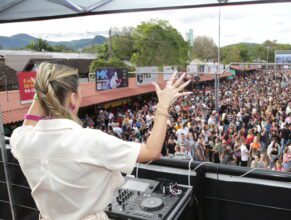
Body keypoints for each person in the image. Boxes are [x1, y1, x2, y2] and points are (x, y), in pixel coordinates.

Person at [9, 63, 191, 220]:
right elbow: (152, 151)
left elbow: (27, 126)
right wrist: (163, 105)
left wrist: (40, 96)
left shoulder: (22, 140)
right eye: (79, 94)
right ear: (73, 99)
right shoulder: (90, 141)